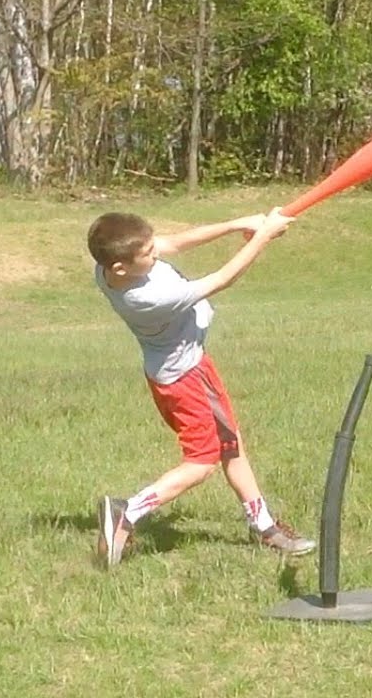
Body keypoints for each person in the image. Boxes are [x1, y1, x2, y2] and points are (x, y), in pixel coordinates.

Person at [85, 206, 315, 569]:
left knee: (231, 443)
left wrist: (239, 223)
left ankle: (264, 525)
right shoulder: (147, 300)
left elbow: (174, 241)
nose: (156, 252)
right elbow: (223, 279)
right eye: (147, 253)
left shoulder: (111, 268)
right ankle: (127, 511)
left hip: (187, 370)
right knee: (203, 461)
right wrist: (263, 237)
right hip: (184, 379)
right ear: (120, 268)